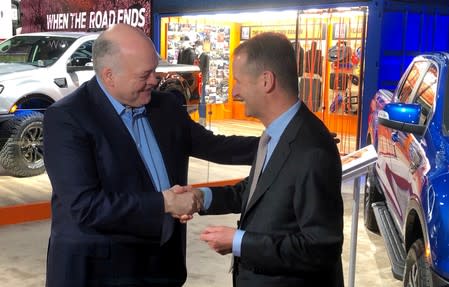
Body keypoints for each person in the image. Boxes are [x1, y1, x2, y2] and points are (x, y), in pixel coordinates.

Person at [43, 23, 258, 287]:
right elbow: (85, 207)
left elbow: (216, 145)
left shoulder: (165, 106)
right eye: (145, 74)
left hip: (161, 266)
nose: (155, 80)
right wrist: (165, 204)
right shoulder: (67, 118)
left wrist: (280, 145)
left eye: (155, 71)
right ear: (109, 76)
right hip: (99, 273)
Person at [196, 32, 344, 287]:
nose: (234, 91)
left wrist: (239, 242)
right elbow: (256, 191)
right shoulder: (278, 133)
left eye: (239, 81)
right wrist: (202, 197)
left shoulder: (312, 150)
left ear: (266, 81)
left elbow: (320, 248)